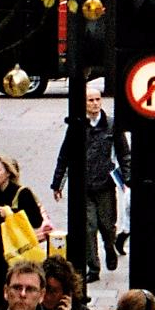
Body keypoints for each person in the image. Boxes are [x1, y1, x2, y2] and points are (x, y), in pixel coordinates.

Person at [52, 84, 128, 280]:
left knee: (107, 225)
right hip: (84, 185)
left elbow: (124, 154)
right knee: (89, 227)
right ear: (83, 104)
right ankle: (93, 267)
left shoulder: (112, 124)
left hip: (105, 184)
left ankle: (110, 248)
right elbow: (65, 155)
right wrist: (57, 183)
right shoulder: (77, 126)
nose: (95, 104)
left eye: (97, 100)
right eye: (90, 100)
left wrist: (128, 178)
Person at [0, 155, 46, 310]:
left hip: (15, 258)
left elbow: (36, 220)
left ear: (8, 172)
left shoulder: (22, 194)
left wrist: (11, 214)